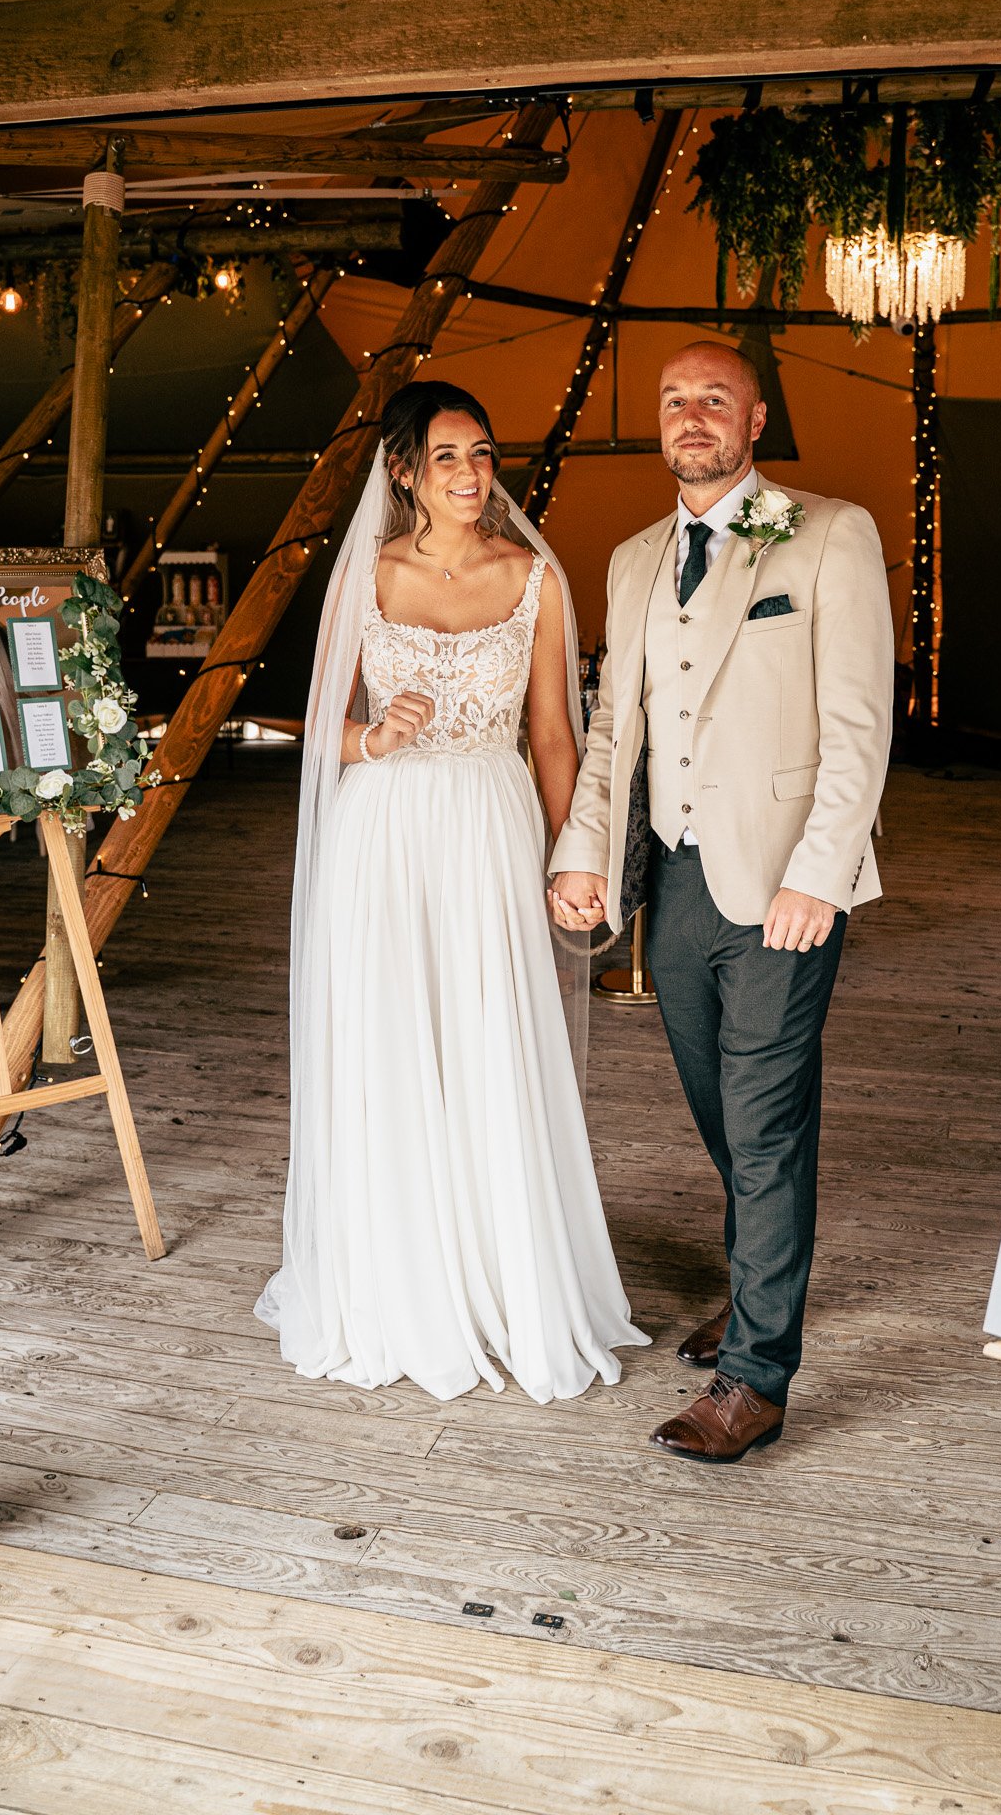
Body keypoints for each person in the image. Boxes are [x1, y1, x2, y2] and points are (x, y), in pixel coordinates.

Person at [256, 381, 647, 1404]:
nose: (472, 474)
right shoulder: (366, 575)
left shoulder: (534, 578)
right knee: (389, 1039)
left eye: (481, 452)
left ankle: (501, 1276)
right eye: (446, 457)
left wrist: (577, 858)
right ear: (403, 471)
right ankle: (395, 1282)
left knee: (488, 1036)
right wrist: (375, 738)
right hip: (381, 838)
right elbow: (320, 733)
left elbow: (553, 734)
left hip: (486, 827)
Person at [549, 342, 892, 1461]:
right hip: (678, 877)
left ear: (753, 419)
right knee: (719, 1109)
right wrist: (582, 850)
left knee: (764, 1119)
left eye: (713, 399)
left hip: (786, 882)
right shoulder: (633, 559)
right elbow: (615, 726)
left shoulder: (829, 533)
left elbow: (859, 725)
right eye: (672, 400)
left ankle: (754, 1378)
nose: (690, 415)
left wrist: (819, 874)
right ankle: (757, 1289)